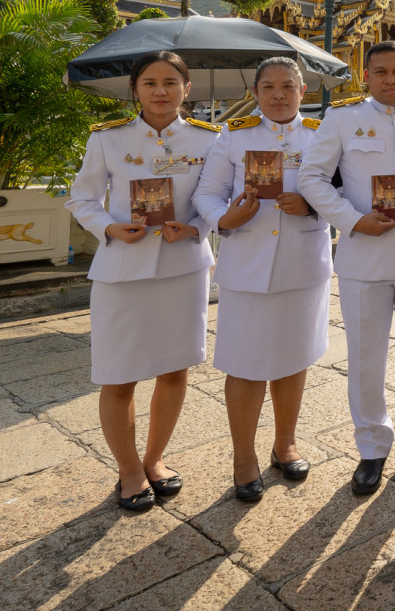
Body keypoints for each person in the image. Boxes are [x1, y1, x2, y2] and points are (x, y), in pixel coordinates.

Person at [66, 52, 219, 511]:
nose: (160, 91)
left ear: (187, 88)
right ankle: (129, 469)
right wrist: (109, 227)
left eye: (171, 82)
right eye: (149, 82)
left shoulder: (209, 139)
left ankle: (154, 459)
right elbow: (82, 198)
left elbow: (218, 198)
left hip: (182, 268)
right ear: (134, 89)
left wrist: (195, 228)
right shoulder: (108, 139)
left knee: (175, 370)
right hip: (123, 272)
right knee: (119, 376)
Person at [300, 41, 395, 496]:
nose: (391, 79)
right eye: (381, 71)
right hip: (365, 256)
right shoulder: (343, 118)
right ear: (365, 76)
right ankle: (371, 446)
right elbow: (311, 177)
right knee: (366, 357)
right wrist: (352, 220)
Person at [193, 57, 333, 503]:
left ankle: (285, 443)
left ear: (303, 92)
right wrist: (225, 218)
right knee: (245, 363)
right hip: (247, 264)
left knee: (294, 358)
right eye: (268, 86)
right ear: (254, 92)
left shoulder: (323, 135)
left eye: (288, 86)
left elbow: (345, 192)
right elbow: (206, 193)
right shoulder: (234, 135)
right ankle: (243, 457)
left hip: (302, 264)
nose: (278, 94)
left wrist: (312, 208)